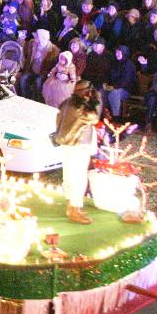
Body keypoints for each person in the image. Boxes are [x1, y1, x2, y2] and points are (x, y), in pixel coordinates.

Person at [55, 80, 101, 224]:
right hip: (77, 146)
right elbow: (94, 117)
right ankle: (74, 209)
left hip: (68, 144)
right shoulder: (80, 106)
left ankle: (73, 207)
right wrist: (97, 100)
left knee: (70, 177)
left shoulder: (68, 102)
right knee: (78, 179)